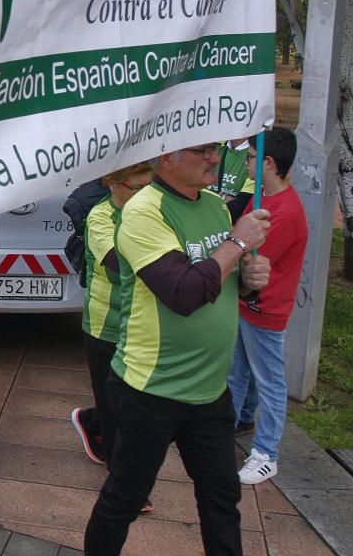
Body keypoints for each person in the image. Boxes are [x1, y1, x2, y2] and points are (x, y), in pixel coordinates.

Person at [84, 143, 273, 556]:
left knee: (223, 500)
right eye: (202, 150)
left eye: (215, 149)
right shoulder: (142, 211)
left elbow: (220, 278)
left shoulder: (215, 207)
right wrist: (238, 246)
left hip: (209, 390)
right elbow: (183, 293)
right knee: (125, 499)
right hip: (151, 389)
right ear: (166, 156)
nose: (214, 158)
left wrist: (248, 278)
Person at [228, 128, 309, 485]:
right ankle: (233, 423)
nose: (246, 163)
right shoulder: (261, 197)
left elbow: (246, 252)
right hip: (248, 306)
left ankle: (266, 454)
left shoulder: (285, 211)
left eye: (250, 158)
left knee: (269, 380)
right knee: (239, 372)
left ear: (268, 163)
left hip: (266, 309)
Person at [70, 163, 153, 472]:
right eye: (137, 188)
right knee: (116, 405)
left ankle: (92, 419)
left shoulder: (149, 212)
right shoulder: (101, 217)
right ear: (113, 185)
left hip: (141, 323)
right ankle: (126, 479)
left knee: (133, 403)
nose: (145, 194)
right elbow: (120, 264)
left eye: (149, 186)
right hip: (105, 326)